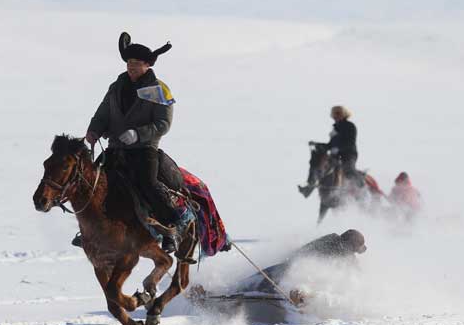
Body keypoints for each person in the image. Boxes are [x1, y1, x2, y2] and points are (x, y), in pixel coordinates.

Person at [74, 32, 181, 252]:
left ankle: (171, 227)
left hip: (144, 150)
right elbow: (103, 112)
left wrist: (138, 134)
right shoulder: (117, 86)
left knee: (148, 183)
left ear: (147, 65)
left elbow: (163, 124)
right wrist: (94, 130)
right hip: (116, 148)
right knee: (94, 184)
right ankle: (89, 229)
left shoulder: (159, 90)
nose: (131, 67)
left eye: (137, 63)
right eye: (129, 62)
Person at [189, 230, 367, 305]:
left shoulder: (336, 244)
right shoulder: (341, 254)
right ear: (349, 247)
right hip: (289, 275)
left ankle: (210, 294)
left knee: (251, 283)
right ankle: (210, 294)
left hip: (287, 270)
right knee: (253, 284)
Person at [299, 106, 360, 197]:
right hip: (335, 156)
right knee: (319, 166)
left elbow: (350, 143)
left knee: (348, 169)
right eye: (334, 114)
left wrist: (338, 148)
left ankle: (361, 187)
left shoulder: (350, 126)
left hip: (348, 154)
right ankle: (309, 187)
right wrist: (317, 144)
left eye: (338, 113)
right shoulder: (335, 128)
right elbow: (330, 145)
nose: (335, 116)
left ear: (344, 114)